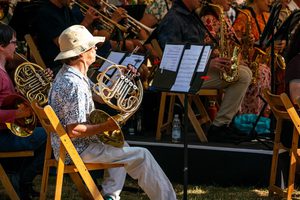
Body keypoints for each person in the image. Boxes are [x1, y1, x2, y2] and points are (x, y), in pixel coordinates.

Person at [48, 24, 176, 200]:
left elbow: (102, 95)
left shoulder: (71, 75)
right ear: (81, 53)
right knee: (143, 155)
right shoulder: (74, 84)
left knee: (121, 145)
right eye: (92, 46)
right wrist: (105, 126)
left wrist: (123, 78)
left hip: (71, 147)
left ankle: (109, 196)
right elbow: (74, 130)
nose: (95, 48)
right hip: (77, 149)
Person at [156, 0, 252, 142]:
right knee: (242, 75)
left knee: (244, 71)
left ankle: (224, 124)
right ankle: (219, 126)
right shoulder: (173, 19)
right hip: (181, 76)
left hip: (195, 70)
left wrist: (214, 55)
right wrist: (207, 63)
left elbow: (196, 46)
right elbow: (172, 57)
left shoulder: (190, 16)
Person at [0, 23, 47, 200]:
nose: (16, 46)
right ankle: (23, 179)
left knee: (46, 132)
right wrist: (17, 115)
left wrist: (41, 81)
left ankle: (19, 176)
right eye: (13, 42)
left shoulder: (4, 70)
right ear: (1, 46)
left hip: (6, 132)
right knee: (52, 137)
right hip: (2, 136)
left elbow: (10, 100)